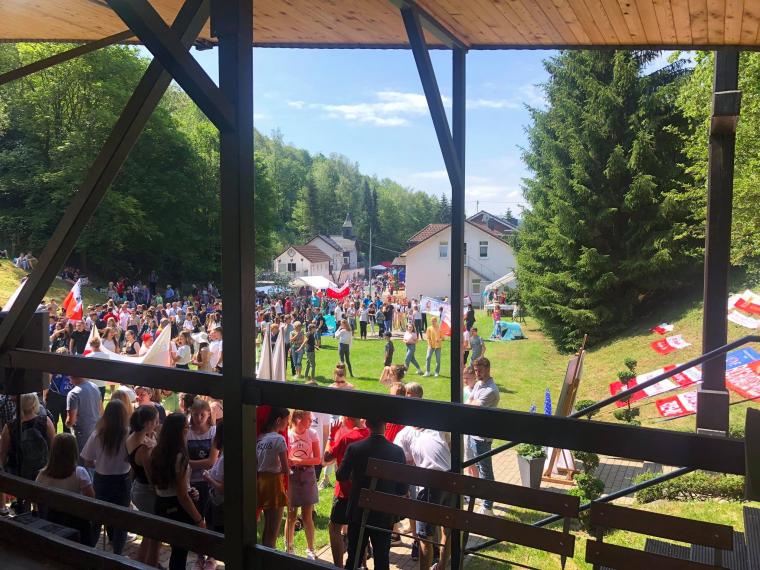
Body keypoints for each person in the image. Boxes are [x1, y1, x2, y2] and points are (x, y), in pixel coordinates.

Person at [337, 417, 408, 570]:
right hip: (384, 514)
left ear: (367, 424)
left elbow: (340, 475)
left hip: (358, 512)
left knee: (354, 556)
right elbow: (402, 489)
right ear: (386, 425)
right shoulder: (396, 452)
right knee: (382, 558)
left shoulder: (354, 448)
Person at [394, 426, 453, 570]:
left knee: (425, 537)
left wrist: (405, 489)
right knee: (448, 529)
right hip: (451, 479)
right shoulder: (438, 427)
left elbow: (402, 464)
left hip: (429, 485)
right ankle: (442, 566)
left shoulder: (404, 434)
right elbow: (450, 446)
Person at [151, 413, 205, 570]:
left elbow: (167, 484)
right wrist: (199, 520)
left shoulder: (157, 451)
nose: (188, 430)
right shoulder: (179, 456)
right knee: (179, 553)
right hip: (177, 508)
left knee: (177, 551)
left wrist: (190, 489)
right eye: (186, 428)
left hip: (161, 503)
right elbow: (182, 496)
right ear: (180, 431)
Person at [81, 399, 131, 555]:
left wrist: (100, 463)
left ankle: (89, 551)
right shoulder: (129, 434)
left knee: (97, 518)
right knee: (121, 520)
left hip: (102, 480)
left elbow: (87, 460)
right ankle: (117, 554)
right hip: (122, 480)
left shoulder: (98, 434)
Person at [324, 417, 369, 567]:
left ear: (348, 418)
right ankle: (362, 565)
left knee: (334, 528)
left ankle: (338, 566)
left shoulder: (346, 438)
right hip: (364, 493)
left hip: (345, 492)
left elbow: (327, 457)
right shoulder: (369, 435)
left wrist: (331, 436)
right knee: (360, 529)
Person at [36, 433, 95, 545]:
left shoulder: (42, 475)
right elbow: (92, 500)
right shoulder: (79, 473)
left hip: (50, 522)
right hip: (76, 525)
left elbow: (38, 499)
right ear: (74, 452)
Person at [126, 405, 161, 566]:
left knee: (148, 532)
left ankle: (142, 561)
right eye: (155, 421)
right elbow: (151, 477)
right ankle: (150, 563)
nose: (157, 424)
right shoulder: (144, 449)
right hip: (146, 492)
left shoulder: (132, 437)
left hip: (137, 486)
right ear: (147, 423)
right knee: (155, 532)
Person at [285, 410, 321, 560]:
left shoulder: (312, 433)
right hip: (292, 475)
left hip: (307, 475)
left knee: (307, 515)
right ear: (299, 419)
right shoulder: (288, 435)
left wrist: (299, 461)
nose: (311, 422)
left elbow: (318, 459)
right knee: (291, 515)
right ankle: (289, 547)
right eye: (309, 419)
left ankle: (310, 549)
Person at [467, 357, 500, 515]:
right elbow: (469, 401)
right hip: (473, 434)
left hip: (482, 438)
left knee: (486, 471)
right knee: (479, 468)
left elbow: (474, 407)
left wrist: (472, 402)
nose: (477, 373)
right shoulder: (479, 384)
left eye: (480, 370)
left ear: (488, 369)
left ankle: (488, 507)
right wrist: (472, 402)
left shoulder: (491, 390)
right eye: (475, 370)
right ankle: (484, 499)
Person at [0, 393, 55, 483]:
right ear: (34, 403)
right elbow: (54, 447)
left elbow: (3, 453)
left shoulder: (10, 426)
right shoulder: (46, 421)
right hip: (41, 471)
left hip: (17, 473)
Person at [256, 407, 289, 548]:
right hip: (274, 484)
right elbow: (285, 468)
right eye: (286, 420)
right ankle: (269, 556)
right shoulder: (279, 439)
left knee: (266, 526)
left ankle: (264, 553)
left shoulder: (260, 438)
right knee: (273, 530)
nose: (288, 424)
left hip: (260, 483)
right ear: (278, 420)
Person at [187, 398, 218, 529]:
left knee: (209, 517)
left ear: (209, 414)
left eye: (202, 415)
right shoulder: (187, 432)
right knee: (194, 518)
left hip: (209, 480)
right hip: (190, 481)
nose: (199, 418)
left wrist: (189, 464)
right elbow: (183, 460)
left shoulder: (213, 432)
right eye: (195, 415)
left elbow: (211, 462)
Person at [66, 375, 103, 458]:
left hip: (82, 434)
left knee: (82, 460)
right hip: (96, 430)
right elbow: (101, 411)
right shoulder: (95, 387)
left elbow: (71, 421)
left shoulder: (73, 394)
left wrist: (67, 424)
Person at [201, 420, 224, 537]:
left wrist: (208, 478)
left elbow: (223, 488)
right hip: (215, 502)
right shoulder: (222, 455)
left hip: (220, 506)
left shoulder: (225, 459)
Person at [47, 349, 74, 432]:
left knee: (53, 419)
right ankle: (67, 439)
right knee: (67, 420)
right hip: (68, 395)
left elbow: (48, 381)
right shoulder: (72, 366)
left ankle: (53, 438)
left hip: (54, 395)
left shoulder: (53, 366)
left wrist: (45, 396)